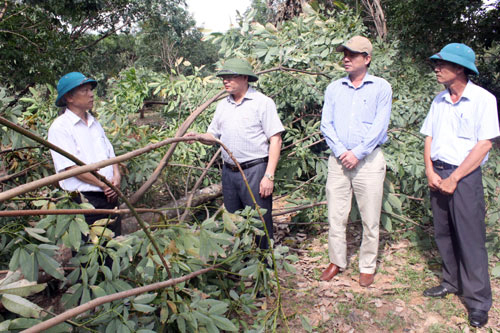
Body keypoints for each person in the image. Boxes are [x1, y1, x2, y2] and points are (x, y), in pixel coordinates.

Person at [420, 43, 499, 328]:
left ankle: (478, 301)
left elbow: (485, 143)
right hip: (438, 173)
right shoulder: (439, 101)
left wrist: (455, 178)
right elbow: (428, 136)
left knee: (471, 239)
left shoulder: (483, 100)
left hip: (464, 177)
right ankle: (450, 282)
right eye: (436, 64)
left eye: (443, 64)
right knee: (443, 233)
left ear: (460, 69)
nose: (437, 68)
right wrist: (429, 169)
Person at [186, 58, 284, 250]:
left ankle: (265, 267)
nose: (226, 81)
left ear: (245, 78)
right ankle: (242, 263)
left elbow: (276, 139)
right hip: (229, 173)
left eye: (231, 77)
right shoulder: (223, 105)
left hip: (255, 170)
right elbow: (213, 135)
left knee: (260, 220)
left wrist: (269, 175)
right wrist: (198, 136)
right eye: (224, 77)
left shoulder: (262, 103)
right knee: (234, 220)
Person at [320, 36, 392, 287]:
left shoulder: (381, 87)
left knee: (370, 218)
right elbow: (325, 124)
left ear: (367, 58)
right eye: (344, 54)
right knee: (335, 215)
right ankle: (337, 261)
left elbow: (380, 126)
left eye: (352, 54)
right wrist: (342, 152)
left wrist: (358, 153)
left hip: (369, 161)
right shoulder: (334, 88)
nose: (346, 58)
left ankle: (367, 265)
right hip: (338, 161)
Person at [48, 72, 121, 236]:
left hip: (110, 195)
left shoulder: (95, 123)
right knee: (90, 251)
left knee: (115, 247)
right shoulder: (60, 128)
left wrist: (116, 178)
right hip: (85, 201)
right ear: (69, 97)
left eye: (91, 90)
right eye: (85, 91)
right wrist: (103, 185)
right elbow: (70, 168)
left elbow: (111, 154)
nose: (91, 94)